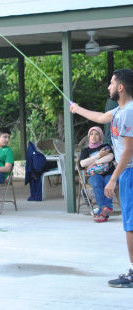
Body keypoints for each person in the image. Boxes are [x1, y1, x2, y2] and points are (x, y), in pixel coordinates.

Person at [70, 68, 133, 288]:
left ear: (121, 87)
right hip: (127, 172)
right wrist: (77, 109)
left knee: (130, 224)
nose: (109, 86)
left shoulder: (129, 112)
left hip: (129, 172)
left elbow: (128, 150)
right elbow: (99, 117)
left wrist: (113, 178)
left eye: (111, 83)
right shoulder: (119, 111)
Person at [79, 126, 115, 223]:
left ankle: (102, 211)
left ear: (100, 136)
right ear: (89, 136)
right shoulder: (85, 150)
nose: (94, 136)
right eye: (91, 134)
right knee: (97, 181)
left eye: (96, 134)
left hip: (109, 172)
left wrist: (93, 163)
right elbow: (82, 164)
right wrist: (99, 155)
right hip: (94, 174)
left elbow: (110, 157)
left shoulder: (106, 146)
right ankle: (105, 208)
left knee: (108, 182)